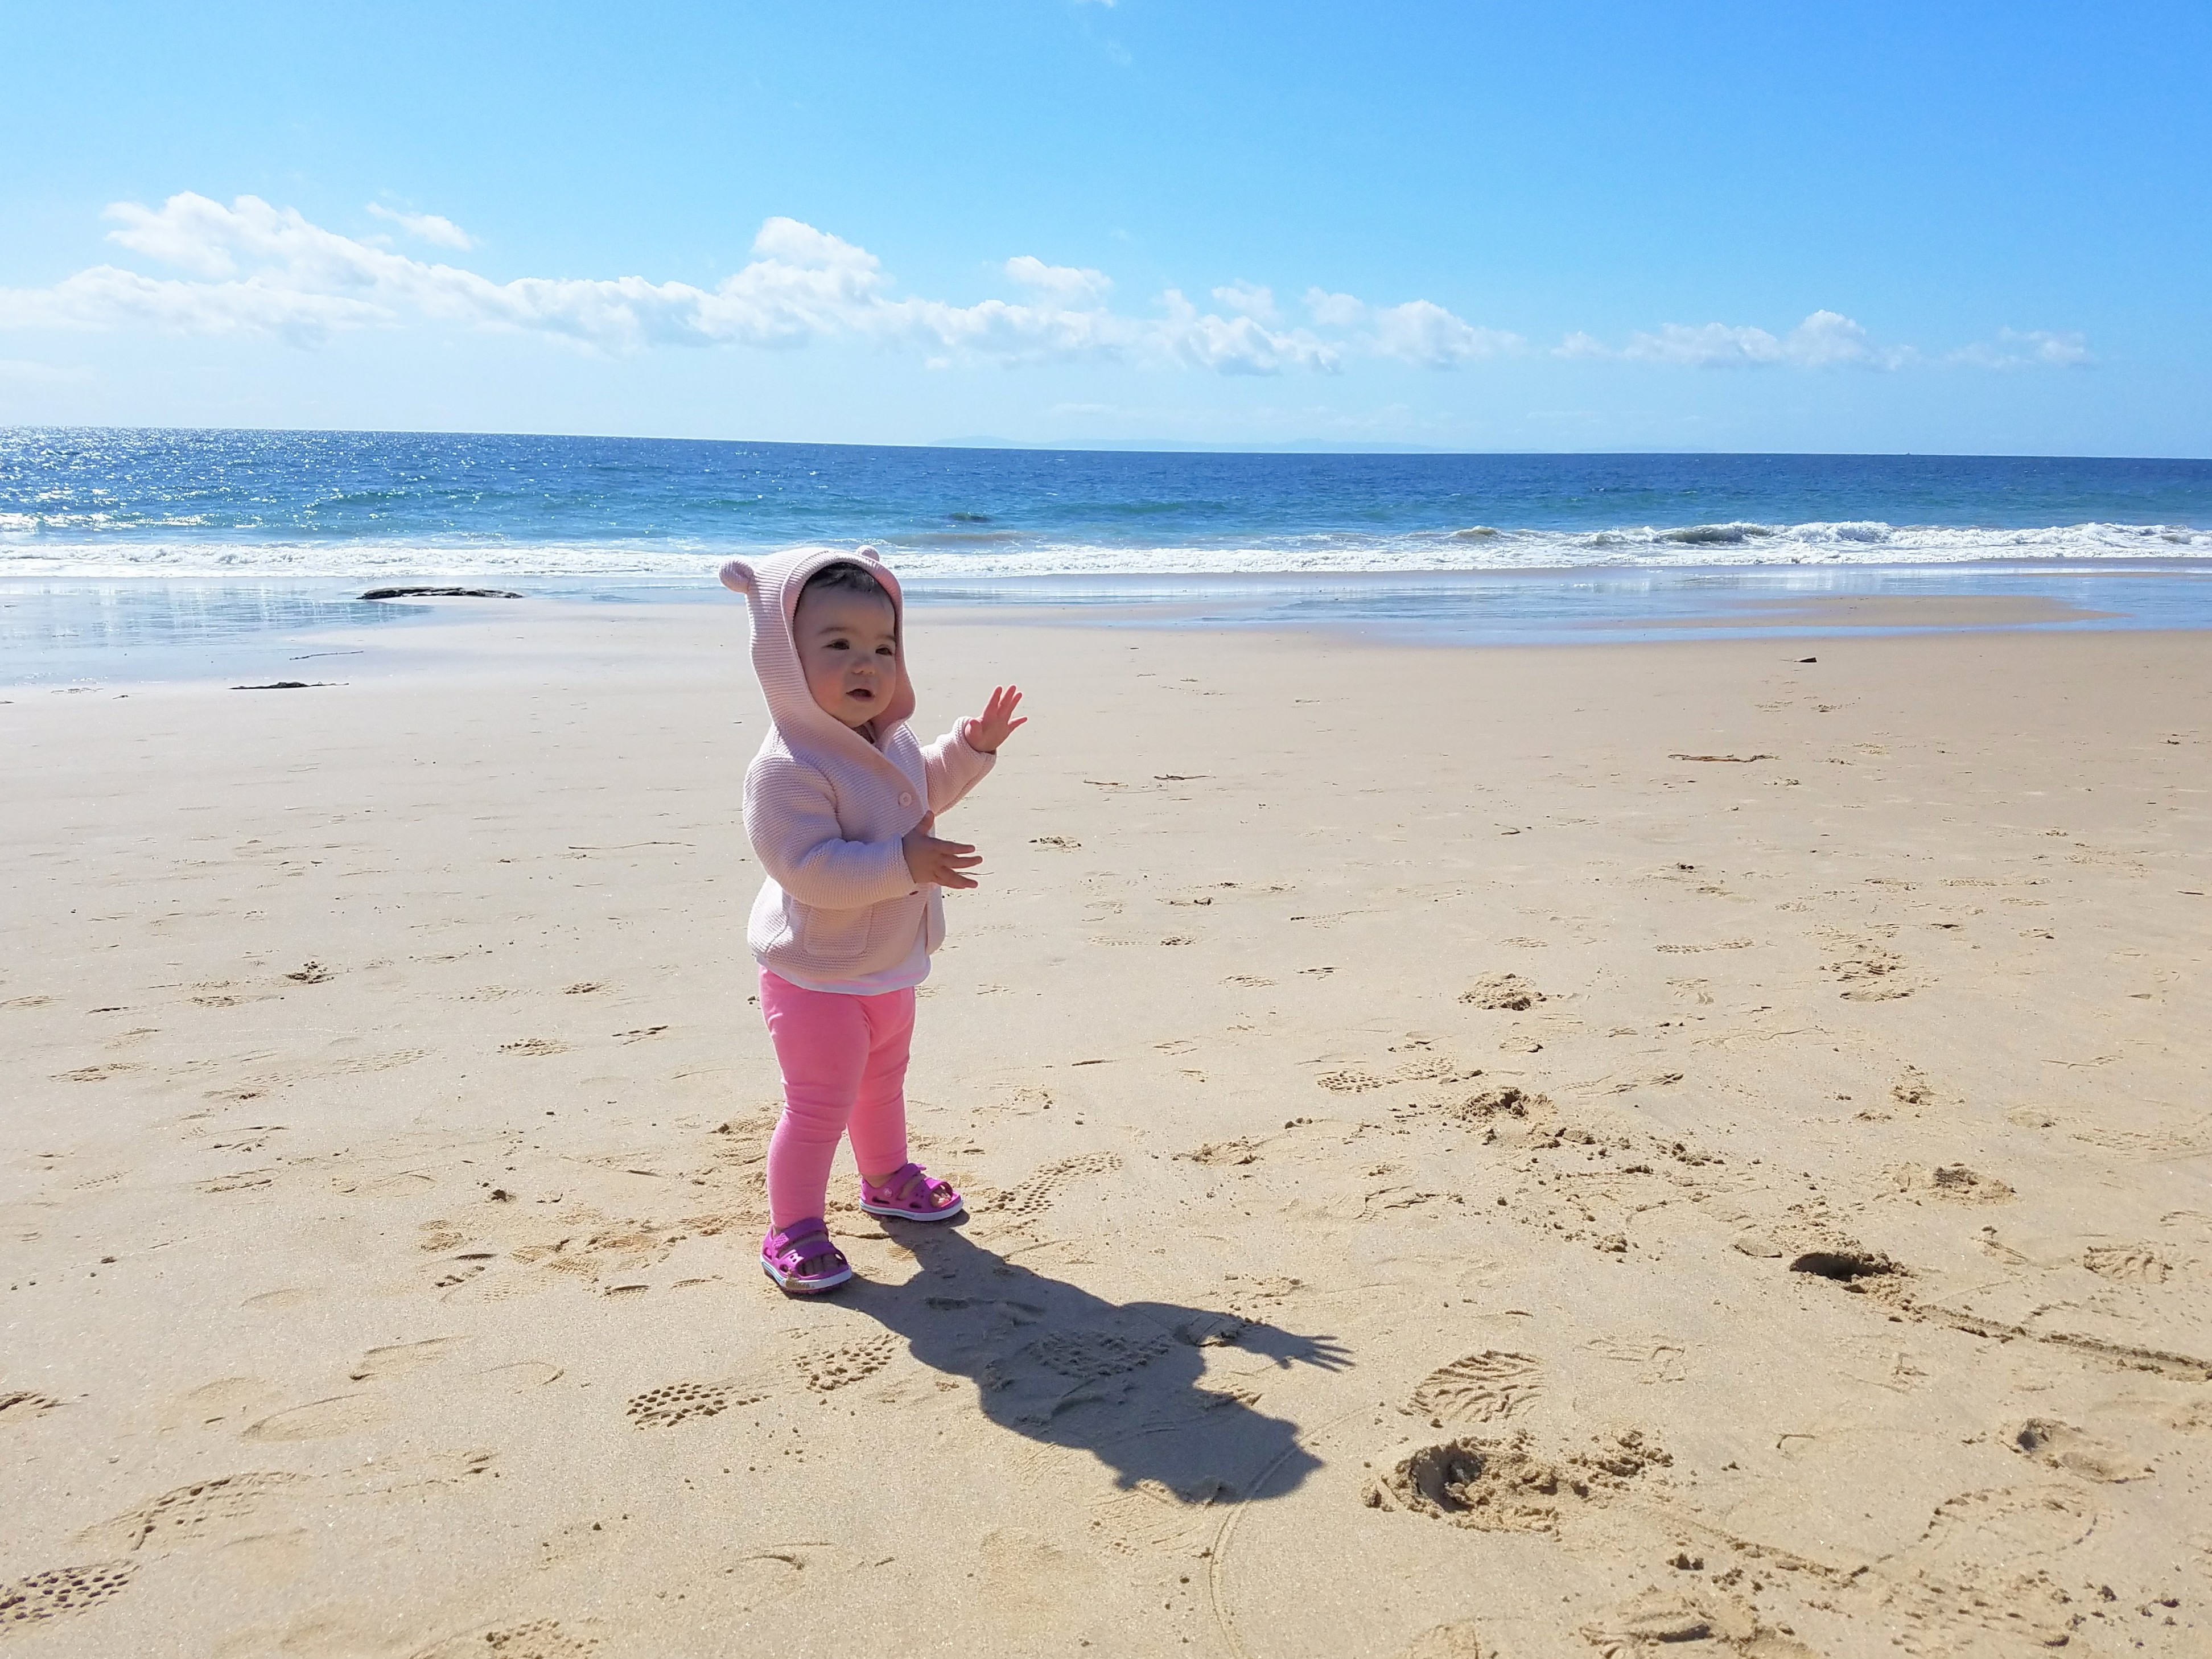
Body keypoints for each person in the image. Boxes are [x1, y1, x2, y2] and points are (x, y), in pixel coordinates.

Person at [718, 546, 1024, 1294]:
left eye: (883, 648)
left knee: (883, 1081)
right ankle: (793, 1227)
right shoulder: (786, 769)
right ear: (786, 659)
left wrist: (970, 748)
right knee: (817, 1106)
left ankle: (886, 1177)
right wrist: (905, 863)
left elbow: (920, 788)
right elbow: (810, 870)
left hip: (888, 963)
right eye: (839, 645)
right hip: (817, 976)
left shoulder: (887, 740)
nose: (867, 664)